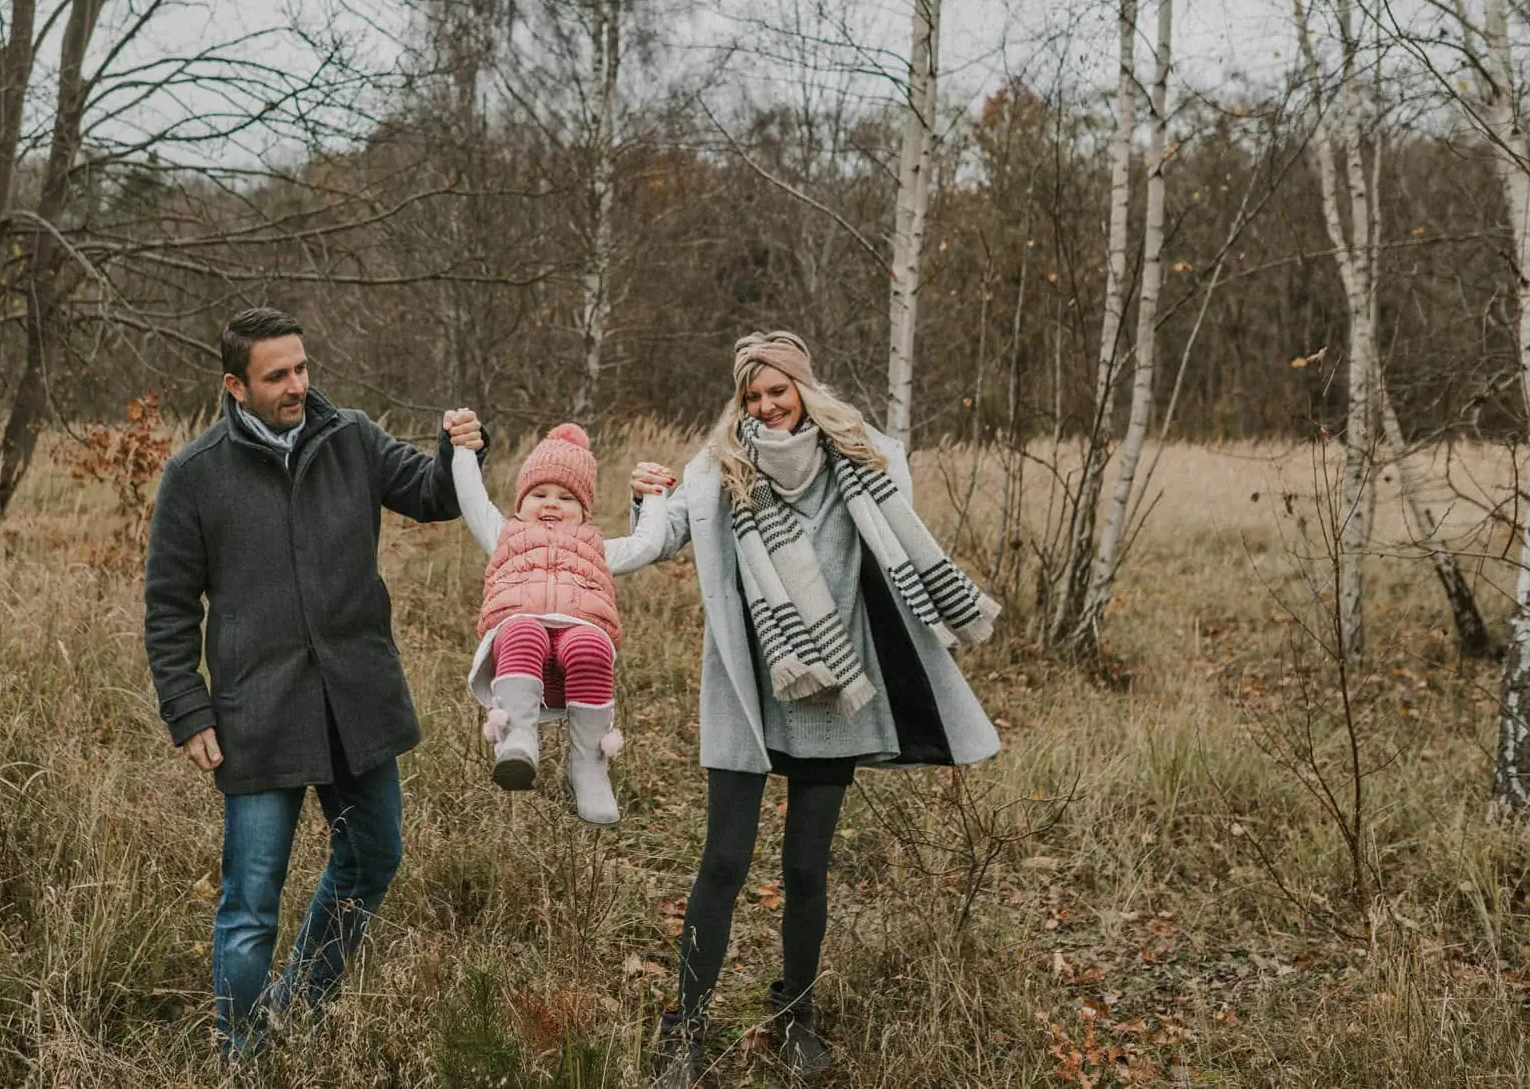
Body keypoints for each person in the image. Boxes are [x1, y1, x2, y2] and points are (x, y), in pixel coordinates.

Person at [638, 331, 1001, 1087]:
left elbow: (905, 542)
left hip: (837, 691)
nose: (768, 406)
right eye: (753, 395)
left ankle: (795, 1014)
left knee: (806, 867)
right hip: (750, 692)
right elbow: (663, 536)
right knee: (724, 860)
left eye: (779, 390)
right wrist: (642, 498)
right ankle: (687, 1026)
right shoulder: (718, 471)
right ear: (739, 403)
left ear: (805, 387)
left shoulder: (864, 461)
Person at [142, 306, 485, 1061]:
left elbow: (433, 494)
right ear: (235, 385)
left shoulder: (352, 436)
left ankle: (295, 1002)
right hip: (256, 716)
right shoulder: (194, 475)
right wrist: (187, 707)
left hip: (355, 704)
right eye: (277, 375)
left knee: (375, 855)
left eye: (301, 367)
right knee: (249, 904)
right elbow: (168, 606)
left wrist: (460, 449)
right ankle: (242, 1053)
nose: (298, 384)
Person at [451, 422, 672, 824]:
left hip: (576, 663)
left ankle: (589, 769)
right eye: (539, 494)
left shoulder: (598, 548)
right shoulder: (504, 534)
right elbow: (471, 499)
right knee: (524, 628)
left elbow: (647, 545)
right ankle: (517, 739)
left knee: (591, 642)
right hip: (519, 653)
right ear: (520, 502)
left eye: (566, 497)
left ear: (585, 510)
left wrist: (653, 496)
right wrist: (464, 451)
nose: (551, 504)